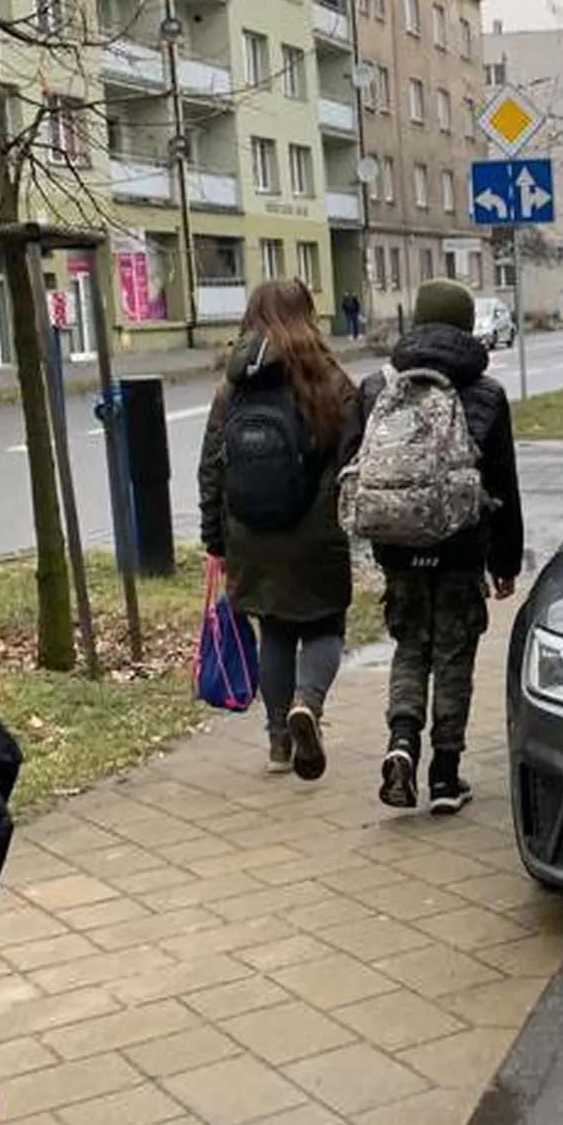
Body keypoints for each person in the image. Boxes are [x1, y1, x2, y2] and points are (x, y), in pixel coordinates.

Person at [362, 279, 523, 814]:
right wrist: (505, 562)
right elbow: (502, 484)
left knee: (410, 646)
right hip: (460, 547)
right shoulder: (486, 394)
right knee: (454, 655)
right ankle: (446, 778)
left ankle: (401, 742)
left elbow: (353, 466)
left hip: (398, 546)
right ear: (465, 324)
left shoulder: (376, 388)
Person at [198, 278, 362, 778]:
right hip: (316, 529)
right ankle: (307, 704)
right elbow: (355, 459)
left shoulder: (233, 386)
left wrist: (215, 538)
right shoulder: (332, 380)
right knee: (325, 624)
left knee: (274, 630)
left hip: (251, 531)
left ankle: (277, 742)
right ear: (308, 315)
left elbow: (212, 467)